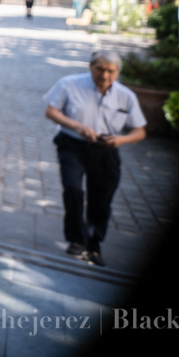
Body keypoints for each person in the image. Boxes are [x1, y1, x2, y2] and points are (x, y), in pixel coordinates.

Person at [43, 50, 146, 267]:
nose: (105, 75)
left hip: (106, 149)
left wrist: (120, 140)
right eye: (100, 69)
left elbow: (140, 131)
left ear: (118, 72)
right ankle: (76, 239)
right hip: (72, 144)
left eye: (111, 71)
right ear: (91, 67)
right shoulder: (69, 84)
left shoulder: (126, 96)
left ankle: (93, 244)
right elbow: (52, 112)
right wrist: (77, 126)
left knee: (102, 200)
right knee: (73, 188)